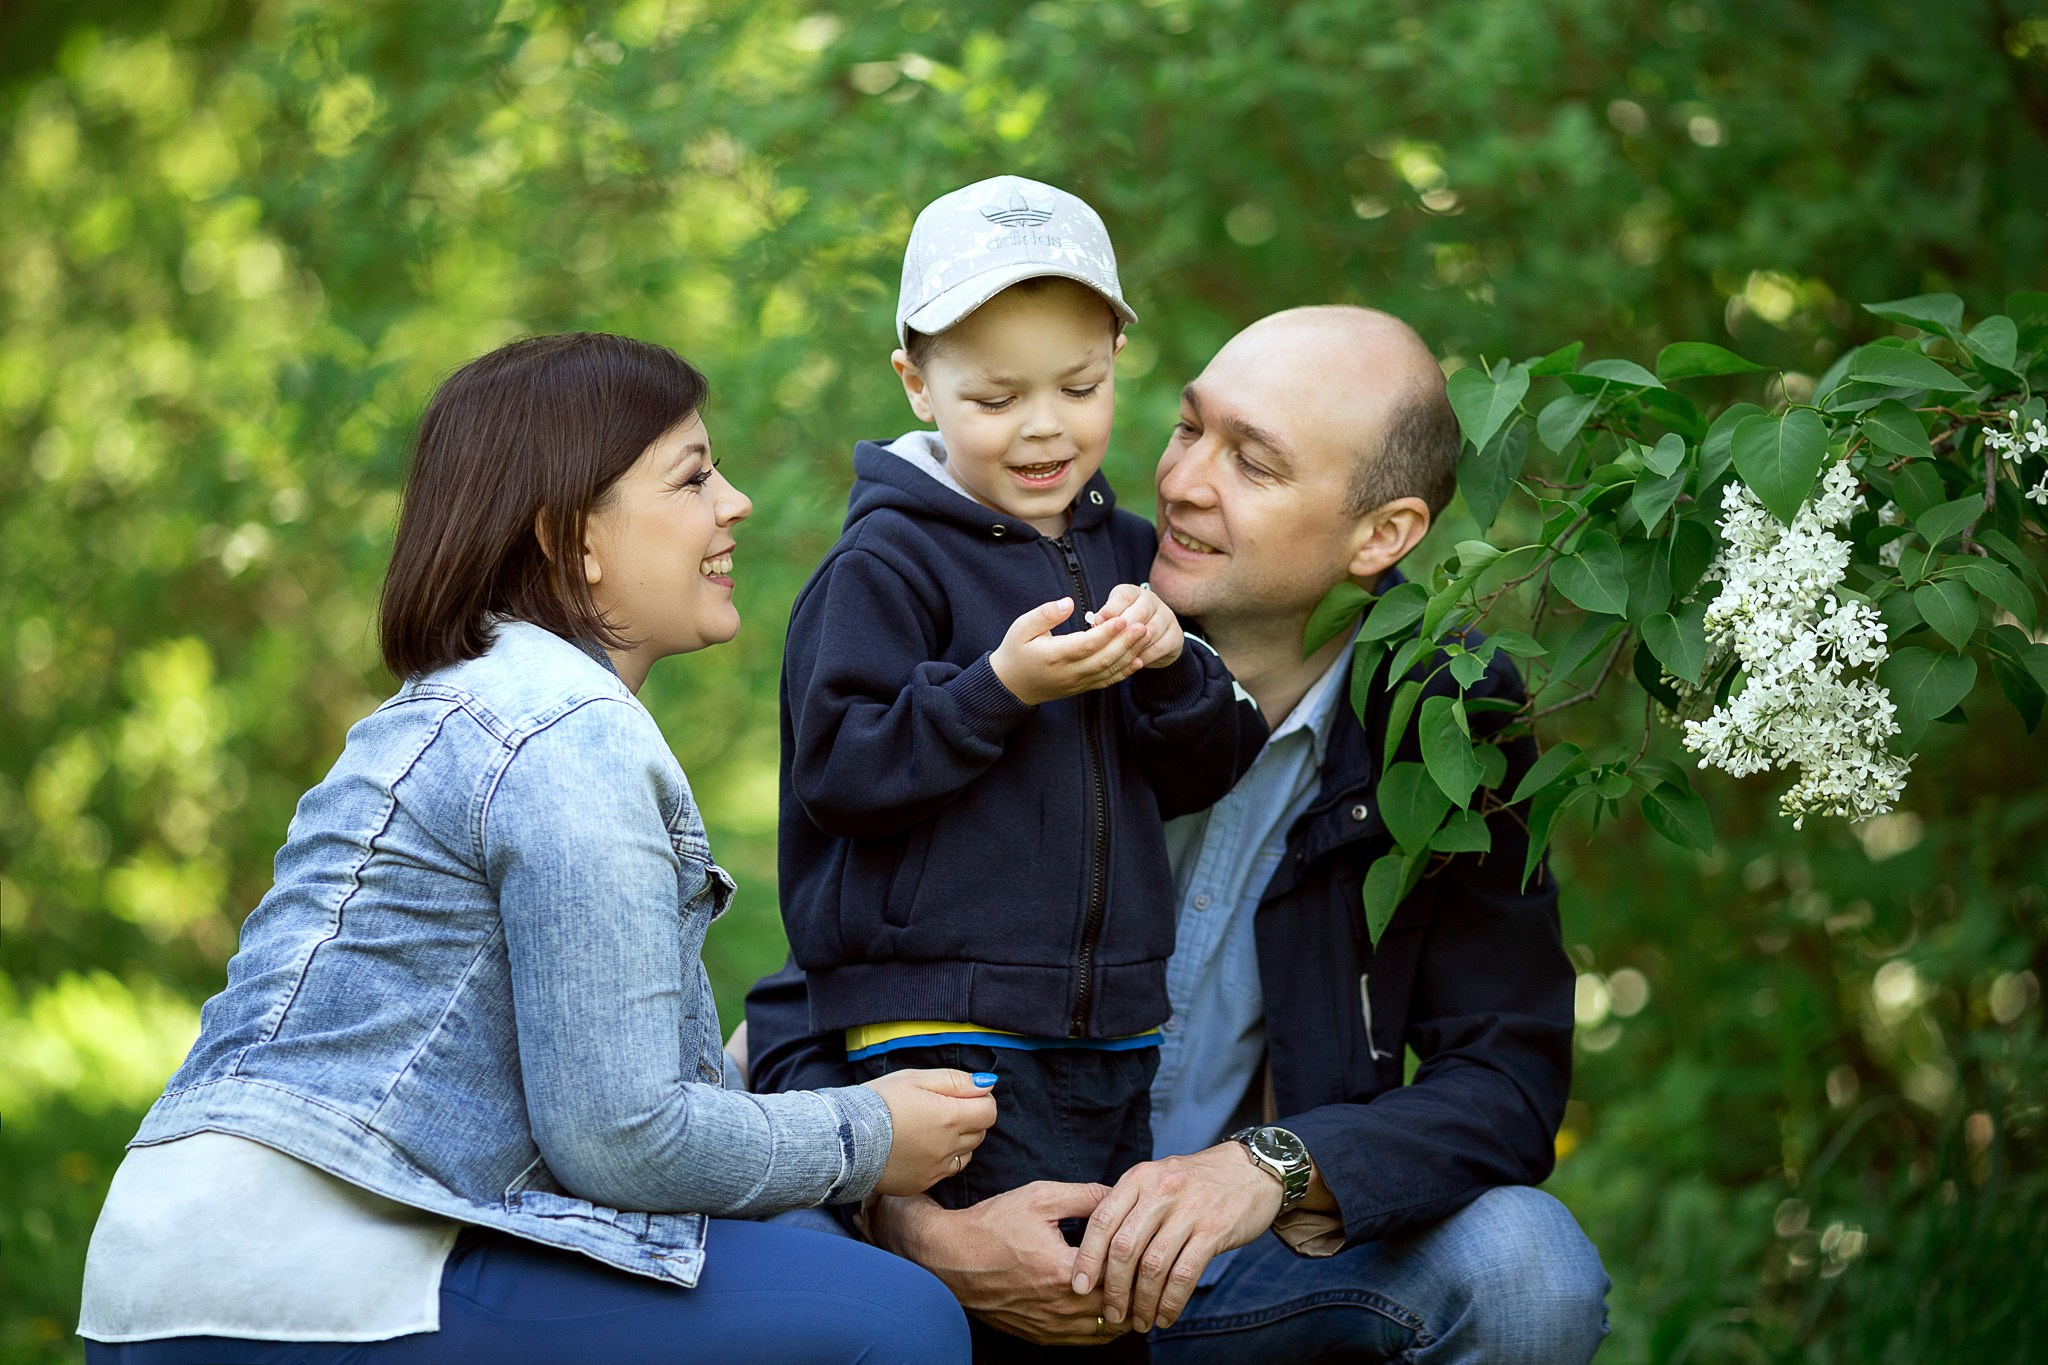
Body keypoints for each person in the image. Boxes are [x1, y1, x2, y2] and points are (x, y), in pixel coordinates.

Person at [78, 332, 994, 1364]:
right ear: (573, 541)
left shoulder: (466, 707)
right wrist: (866, 1138)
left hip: (168, 1286)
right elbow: (622, 1139)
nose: (733, 503)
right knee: (890, 1325)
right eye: (693, 476)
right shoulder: (565, 730)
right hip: (319, 1280)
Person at [748, 306, 1611, 1361]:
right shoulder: (1035, 640)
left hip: (1227, 1276)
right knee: (760, 1227)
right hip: (962, 1236)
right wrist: (913, 1227)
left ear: (1380, 535)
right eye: (1188, 429)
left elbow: (1506, 1079)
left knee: (1526, 1265)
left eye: (1253, 464)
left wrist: (1272, 1167)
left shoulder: (1443, 712)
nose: (1183, 483)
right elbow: (811, 991)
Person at [776, 170, 1264, 1281]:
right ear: (916, 385)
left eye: (1079, 387)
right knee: (1001, 1295)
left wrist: (1166, 664)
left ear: (1113, 365)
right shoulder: (880, 565)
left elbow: (1205, 766)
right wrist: (997, 688)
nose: (1045, 427)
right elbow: (839, 776)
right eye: (995, 400)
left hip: (1111, 1027)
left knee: (1096, 1297)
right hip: (941, 1028)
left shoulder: (1131, 553)